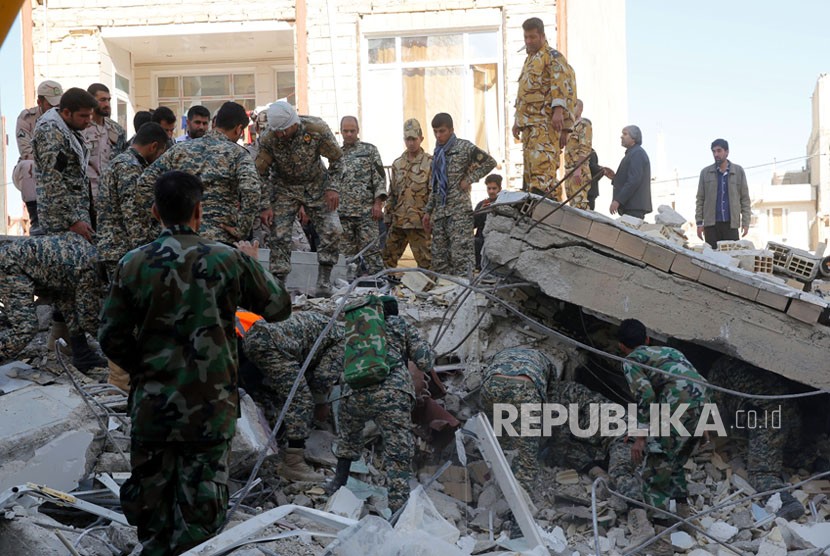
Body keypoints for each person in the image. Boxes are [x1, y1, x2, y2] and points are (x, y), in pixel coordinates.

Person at [98, 170, 291, 555]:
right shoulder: (227, 259)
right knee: (201, 517)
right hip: (209, 408)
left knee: (152, 513)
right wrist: (254, 263)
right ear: (199, 211)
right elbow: (279, 306)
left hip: (154, 408)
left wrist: (148, 370)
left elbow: (110, 337)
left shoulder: (133, 264)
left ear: (155, 211)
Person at [328, 297, 435, 513]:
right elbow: (424, 361)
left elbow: (337, 362)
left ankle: (336, 484)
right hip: (392, 394)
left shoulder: (355, 327)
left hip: (354, 392)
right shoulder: (399, 324)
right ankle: (398, 510)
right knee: (397, 452)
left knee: (348, 439)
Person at [136, 102, 262, 247]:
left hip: (179, 239)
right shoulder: (238, 154)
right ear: (239, 128)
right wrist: (242, 229)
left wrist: (163, 220)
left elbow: (144, 182)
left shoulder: (179, 149)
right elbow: (251, 190)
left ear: (215, 122)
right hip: (219, 240)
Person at [617, 318, 708, 512]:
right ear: (648, 339)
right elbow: (696, 382)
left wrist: (640, 437)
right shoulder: (671, 352)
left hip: (676, 409)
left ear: (621, 346)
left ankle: (659, 524)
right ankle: (683, 515)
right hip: (701, 405)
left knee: (656, 465)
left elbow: (646, 395)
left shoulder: (631, 360)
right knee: (674, 461)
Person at [255, 101, 344, 295]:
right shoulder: (269, 138)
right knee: (279, 234)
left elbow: (337, 159)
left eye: (284, 131)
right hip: (284, 188)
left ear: (294, 123)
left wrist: (333, 188)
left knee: (333, 229)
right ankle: (279, 285)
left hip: (317, 185)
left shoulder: (316, 129)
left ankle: (324, 281)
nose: (280, 135)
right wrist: (265, 205)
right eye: (277, 131)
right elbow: (260, 173)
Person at [243, 311, 343, 482]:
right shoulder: (345, 341)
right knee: (301, 400)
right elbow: (323, 376)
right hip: (273, 344)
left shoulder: (331, 327)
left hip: (256, 337)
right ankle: (293, 463)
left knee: (272, 393)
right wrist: (321, 404)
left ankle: (271, 442)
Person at [708, 357, 807, 520]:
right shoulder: (759, 364)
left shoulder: (720, 368)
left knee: (761, 473)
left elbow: (716, 409)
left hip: (768, 418)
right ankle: (814, 461)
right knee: (792, 452)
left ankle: (784, 501)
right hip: (791, 411)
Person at [0, 233, 106, 371]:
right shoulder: (91, 270)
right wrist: (118, 346)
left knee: (69, 301)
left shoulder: (93, 259)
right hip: (10, 265)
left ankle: (82, 355)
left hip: (44, 269)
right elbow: (89, 319)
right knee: (25, 328)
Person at [422, 113, 496, 276]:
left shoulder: (464, 147)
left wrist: (469, 179)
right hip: (440, 213)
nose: (438, 135)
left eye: (442, 131)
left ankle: (464, 295)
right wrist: (428, 211)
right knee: (440, 259)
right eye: (435, 132)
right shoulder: (437, 153)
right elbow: (434, 185)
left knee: (461, 258)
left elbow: (490, 162)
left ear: (451, 130)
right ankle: (444, 295)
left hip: (459, 214)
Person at [512, 17, 577, 195]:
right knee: (531, 179)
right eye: (526, 37)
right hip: (529, 129)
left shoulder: (552, 57)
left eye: (532, 37)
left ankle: (545, 217)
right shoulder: (530, 61)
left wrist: (561, 116)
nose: (528, 41)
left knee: (543, 177)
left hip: (545, 127)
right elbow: (524, 95)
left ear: (542, 35)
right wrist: (517, 120)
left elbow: (564, 87)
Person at [97, 122, 169, 276]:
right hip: (124, 252)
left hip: (114, 249)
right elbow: (134, 215)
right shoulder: (130, 167)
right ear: (154, 146)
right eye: (161, 152)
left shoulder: (119, 161)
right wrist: (145, 253)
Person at [479, 347, 558, 489]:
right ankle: (522, 492)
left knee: (496, 435)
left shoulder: (501, 353)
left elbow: (485, 373)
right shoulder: (548, 364)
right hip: (524, 387)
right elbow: (551, 402)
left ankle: (492, 472)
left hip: (492, 384)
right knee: (526, 451)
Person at [32, 87, 98, 241]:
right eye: (83, 116)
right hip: (62, 222)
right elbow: (53, 180)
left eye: (89, 115)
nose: (88, 120)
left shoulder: (67, 128)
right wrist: (73, 220)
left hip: (76, 213)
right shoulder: (50, 132)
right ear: (67, 112)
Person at [12, 79, 64, 236]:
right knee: (28, 165)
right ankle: (36, 219)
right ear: (39, 101)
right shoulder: (27, 118)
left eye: (58, 104)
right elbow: (26, 150)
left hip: (60, 169)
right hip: (31, 172)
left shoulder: (65, 117)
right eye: (51, 104)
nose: (55, 108)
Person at [336, 116, 387, 275]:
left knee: (372, 254)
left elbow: (379, 178)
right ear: (341, 132)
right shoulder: (336, 155)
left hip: (366, 214)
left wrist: (378, 203)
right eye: (346, 131)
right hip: (343, 215)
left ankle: (378, 285)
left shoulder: (369, 151)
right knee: (346, 258)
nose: (349, 134)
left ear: (358, 131)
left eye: (352, 131)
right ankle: (349, 290)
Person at [383, 118, 432, 270]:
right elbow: (392, 193)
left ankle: (428, 292)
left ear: (421, 139)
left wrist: (431, 216)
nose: (410, 143)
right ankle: (388, 288)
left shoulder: (430, 162)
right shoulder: (398, 164)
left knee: (426, 263)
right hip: (399, 221)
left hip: (419, 223)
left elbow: (433, 193)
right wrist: (388, 215)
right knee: (387, 258)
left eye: (414, 139)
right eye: (407, 139)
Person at [696, 139, 751, 249]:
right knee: (712, 258)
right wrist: (699, 223)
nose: (716, 154)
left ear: (727, 152)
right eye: (714, 151)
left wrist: (746, 222)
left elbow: (744, 199)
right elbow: (700, 199)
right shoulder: (705, 173)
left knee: (732, 257)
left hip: (731, 224)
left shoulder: (738, 171)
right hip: (711, 225)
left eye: (719, 151)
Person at [82, 83, 127, 198]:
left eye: (108, 100)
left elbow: (121, 160)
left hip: (110, 194)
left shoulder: (116, 130)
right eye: (102, 100)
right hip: (87, 193)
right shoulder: (82, 129)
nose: (107, 104)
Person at [603, 126, 652, 219]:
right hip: (631, 207)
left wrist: (618, 200)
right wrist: (614, 177)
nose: (621, 137)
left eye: (625, 134)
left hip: (634, 208)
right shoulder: (632, 153)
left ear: (634, 138)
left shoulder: (637, 153)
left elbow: (634, 180)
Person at [563, 99, 592, 209]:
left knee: (579, 203)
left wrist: (578, 169)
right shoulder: (570, 127)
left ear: (580, 109)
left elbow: (584, 148)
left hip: (578, 170)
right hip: (570, 170)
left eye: (573, 106)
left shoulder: (584, 124)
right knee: (572, 204)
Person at [474, 174, 502, 271]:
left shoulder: (505, 204)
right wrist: (480, 212)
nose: (491, 191)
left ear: (500, 188)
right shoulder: (482, 204)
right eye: (489, 188)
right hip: (482, 239)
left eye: (494, 188)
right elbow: (473, 224)